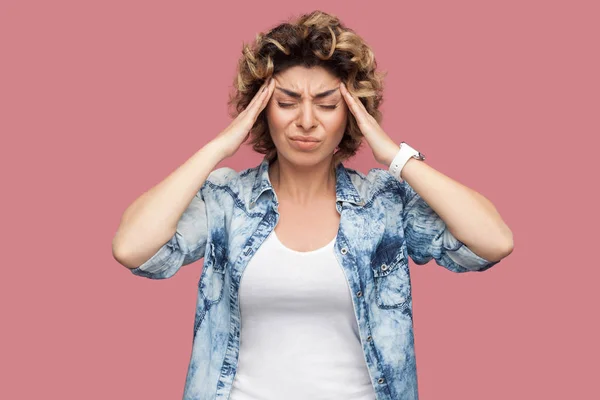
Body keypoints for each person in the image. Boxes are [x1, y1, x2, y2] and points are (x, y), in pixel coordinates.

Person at [112, 10, 514, 400]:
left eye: (326, 104)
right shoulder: (226, 200)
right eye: (286, 102)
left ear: (352, 114)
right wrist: (219, 147)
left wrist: (395, 156)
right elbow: (133, 248)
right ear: (262, 111)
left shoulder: (384, 203)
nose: (306, 120)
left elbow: (492, 242)